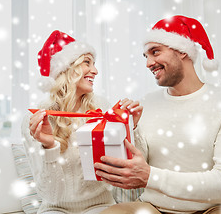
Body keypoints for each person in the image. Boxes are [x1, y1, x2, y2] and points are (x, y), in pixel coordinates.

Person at [95, 15, 221, 214]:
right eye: (146, 56)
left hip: (209, 209)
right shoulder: (147, 102)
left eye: (155, 52)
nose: (149, 63)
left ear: (183, 51)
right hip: (152, 208)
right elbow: (138, 165)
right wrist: (133, 128)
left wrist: (151, 177)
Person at [21, 30, 143, 214]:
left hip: (100, 205)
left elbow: (131, 168)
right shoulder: (36, 120)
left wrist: (130, 128)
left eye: (94, 64)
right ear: (66, 69)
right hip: (55, 208)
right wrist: (49, 147)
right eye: (87, 62)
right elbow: (51, 195)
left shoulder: (101, 108)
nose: (95, 70)